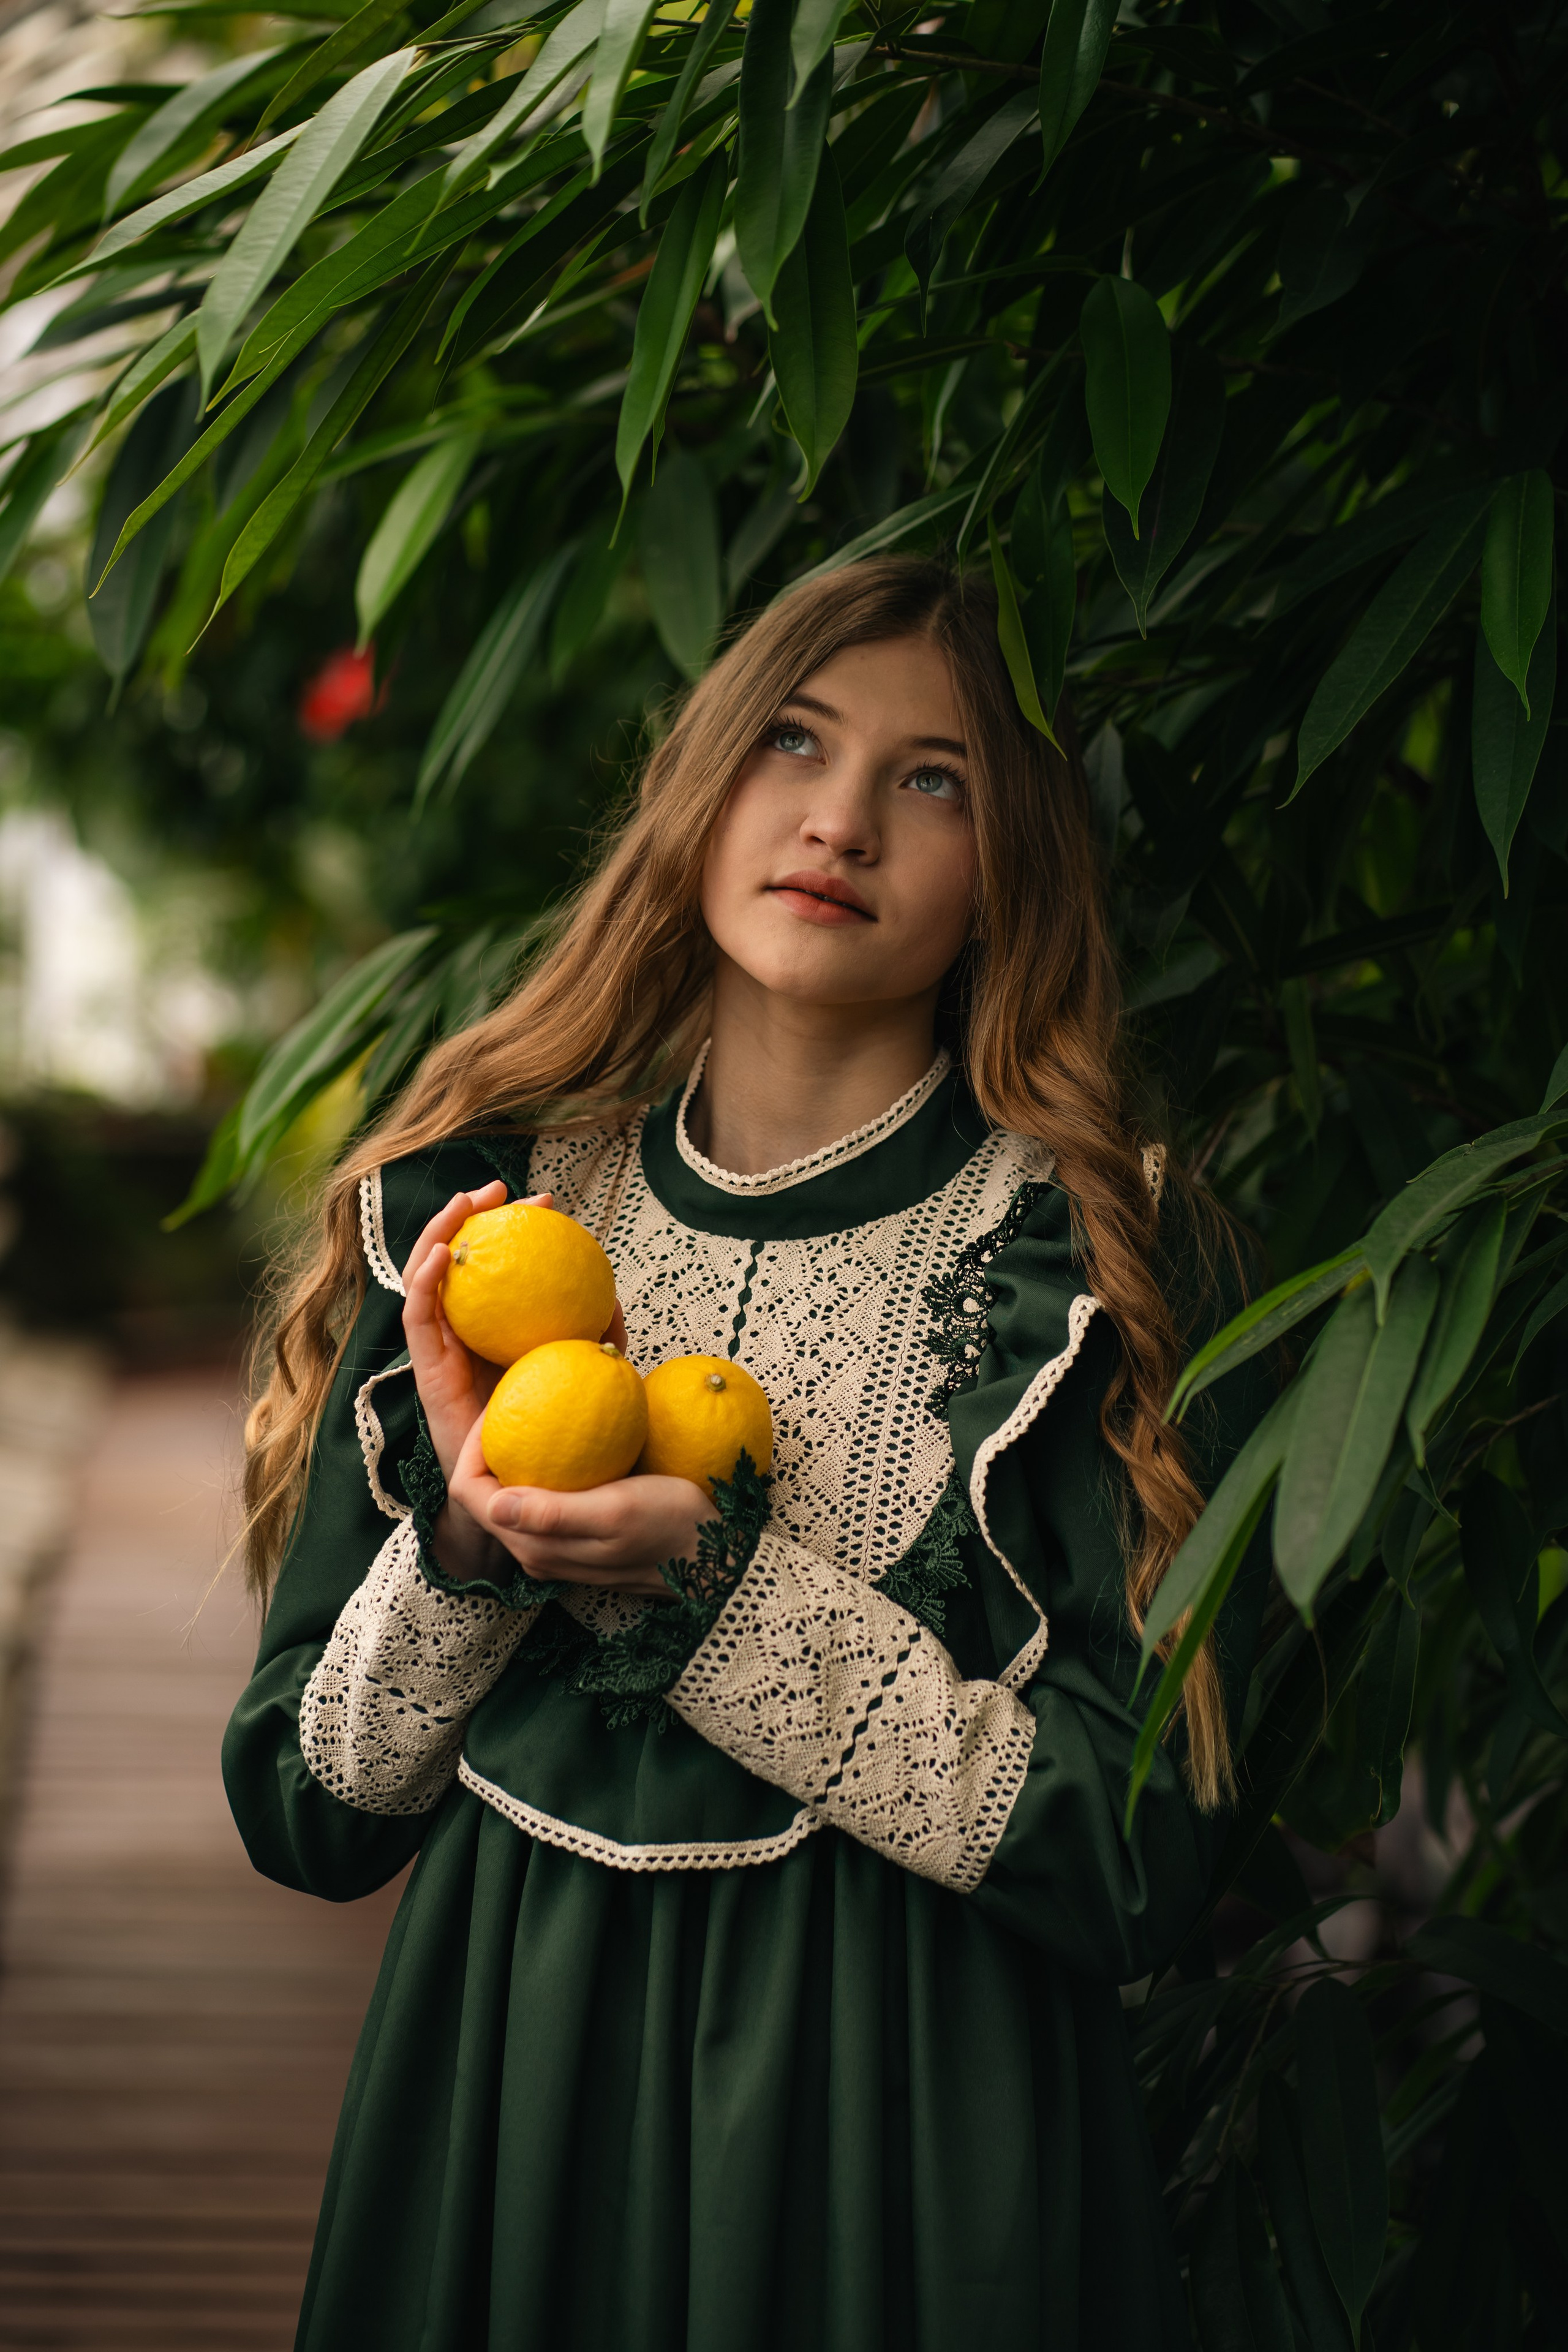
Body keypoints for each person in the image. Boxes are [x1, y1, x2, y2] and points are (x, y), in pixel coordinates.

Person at [224, 556, 1268, 2351]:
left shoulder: (1105, 1270)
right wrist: (473, 1549)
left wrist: (709, 1591)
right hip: (511, 2094)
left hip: (921, 2151)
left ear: (1014, 856)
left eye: (932, 776)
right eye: (794, 740)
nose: (841, 820)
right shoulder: (477, 1216)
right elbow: (306, 1815)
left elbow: (1151, 1867)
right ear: (699, 783)